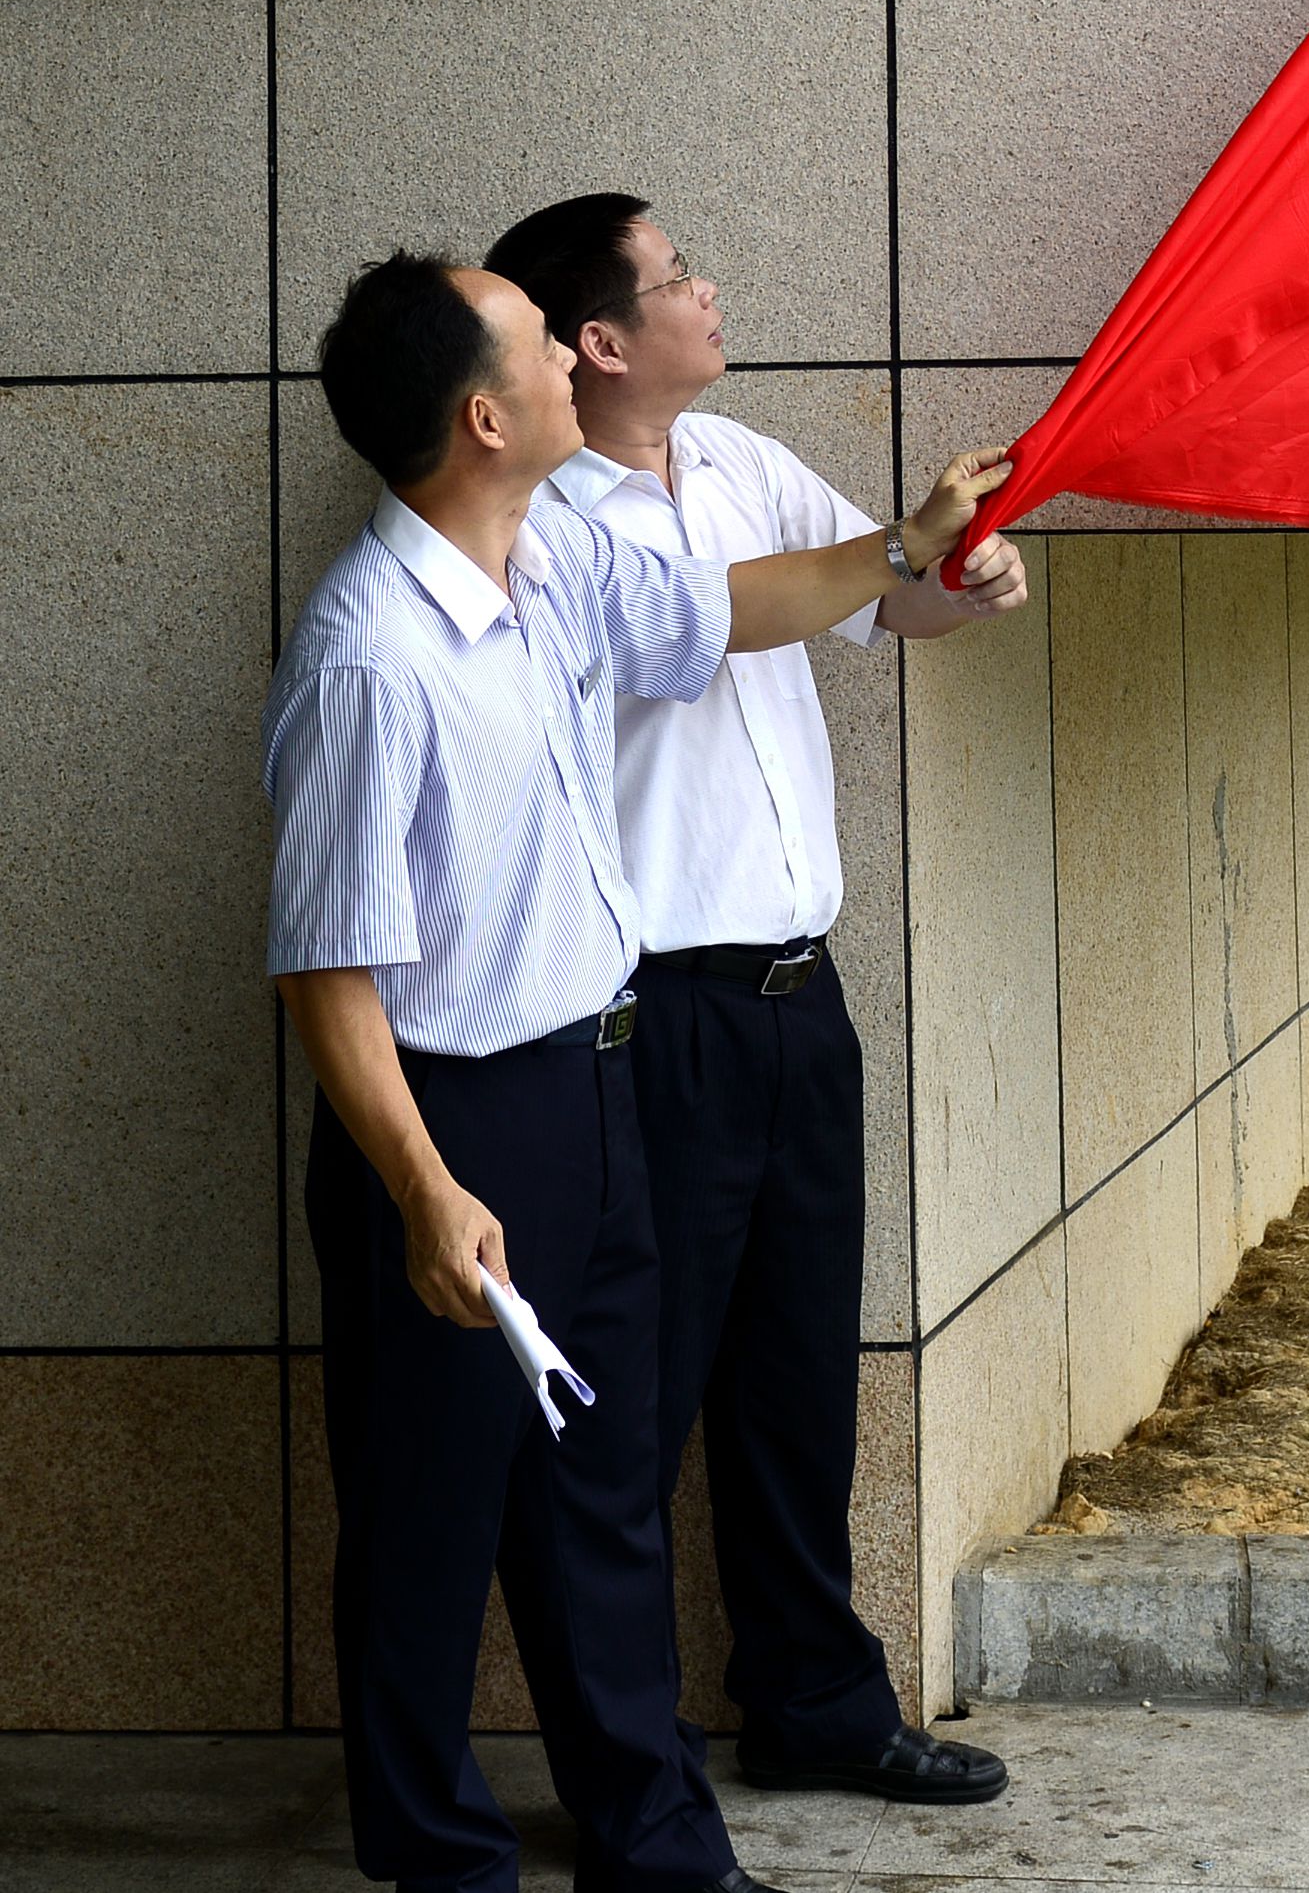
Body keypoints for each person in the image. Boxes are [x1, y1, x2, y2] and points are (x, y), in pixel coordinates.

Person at [268, 249, 1011, 1893]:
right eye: (540, 342)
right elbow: (326, 973)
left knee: (602, 1503)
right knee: (428, 1522)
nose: (565, 356)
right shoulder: (368, 654)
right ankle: (441, 1858)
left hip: (596, 1092)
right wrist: (426, 1186)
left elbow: (730, 609)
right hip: (455, 1126)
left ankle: (661, 1845)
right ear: (486, 413)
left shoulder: (553, 569)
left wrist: (907, 543)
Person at [483, 193, 1023, 1806]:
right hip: (652, 1019)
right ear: (598, 339)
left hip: (801, 1002)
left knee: (798, 1379)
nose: (710, 289)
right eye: (676, 277)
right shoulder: (550, 516)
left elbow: (872, 599)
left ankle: (817, 1703)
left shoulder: (744, 466)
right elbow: (715, 624)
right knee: (634, 1409)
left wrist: (956, 578)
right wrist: (902, 547)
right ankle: (630, 1765)